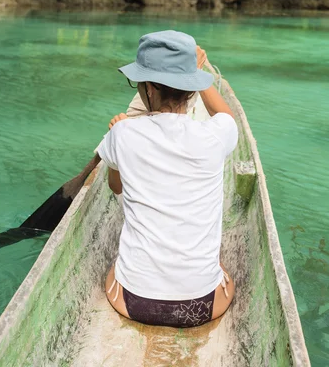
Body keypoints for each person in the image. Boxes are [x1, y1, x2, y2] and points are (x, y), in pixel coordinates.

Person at [96, 30, 238, 328]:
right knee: (224, 271)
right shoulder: (216, 134)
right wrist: (199, 74)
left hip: (134, 303)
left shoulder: (123, 134)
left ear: (148, 88)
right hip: (202, 306)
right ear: (192, 89)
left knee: (113, 269)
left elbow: (115, 187)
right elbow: (227, 116)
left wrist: (116, 135)